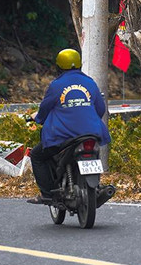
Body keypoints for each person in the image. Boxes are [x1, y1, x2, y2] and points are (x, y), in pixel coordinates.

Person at [27, 47, 115, 206]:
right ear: (79, 64)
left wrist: (37, 118)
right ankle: (96, 187)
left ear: (58, 66)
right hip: (91, 133)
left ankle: (47, 194)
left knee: (37, 155)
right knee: (94, 152)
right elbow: (100, 109)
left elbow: (44, 110)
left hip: (64, 137)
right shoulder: (90, 83)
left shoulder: (56, 85)